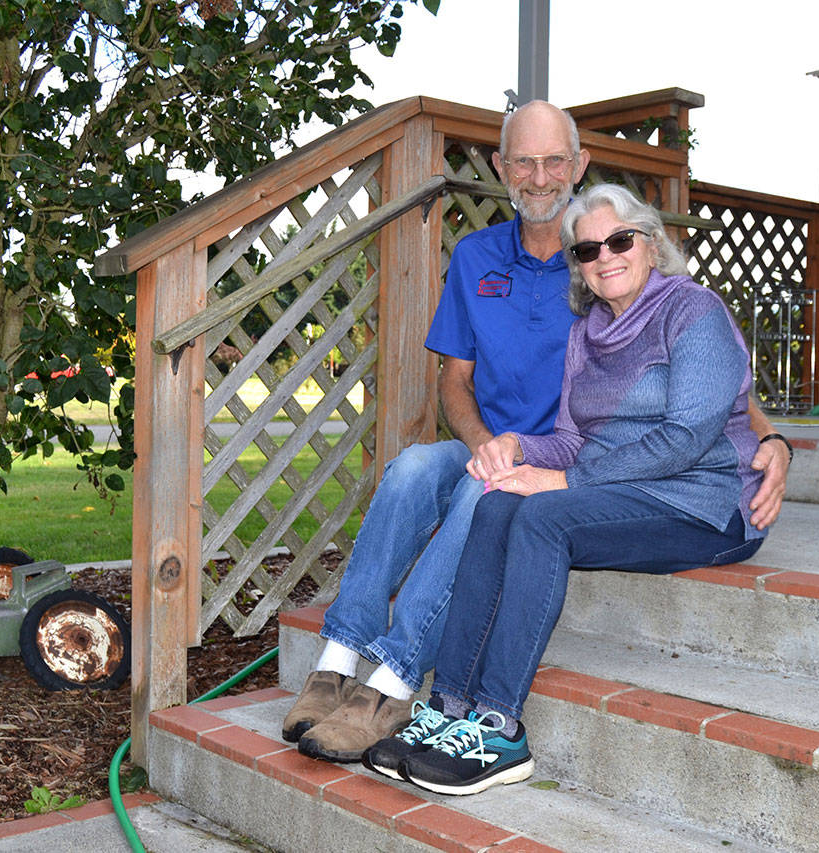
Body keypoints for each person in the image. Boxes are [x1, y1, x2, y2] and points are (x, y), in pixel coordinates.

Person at [283, 102, 791, 764]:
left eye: (555, 161)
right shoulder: (489, 263)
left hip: (580, 469)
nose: (541, 176)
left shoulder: (624, 280)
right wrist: (491, 449)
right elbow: (455, 382)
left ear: (580, 166)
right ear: (501, 167)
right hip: (511, 445)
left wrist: (773, 440)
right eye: (524, 161)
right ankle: (337, 659)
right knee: (412, 468)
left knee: (489, 497)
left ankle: (395, 681)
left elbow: (710, 392)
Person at [363, 183, 774, 795]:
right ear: (577, 265)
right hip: (619, 491)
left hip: (703, 503)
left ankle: (501, 728)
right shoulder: (588, 330)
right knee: (499, 501)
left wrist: (563, 480)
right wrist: (517, 448)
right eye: (587, 250)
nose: (605, 256)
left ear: (651, 244)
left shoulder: (694, 313)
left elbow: (686, 439)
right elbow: (572, 438)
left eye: (619, 241)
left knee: (543, 517)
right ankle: (448, 707)